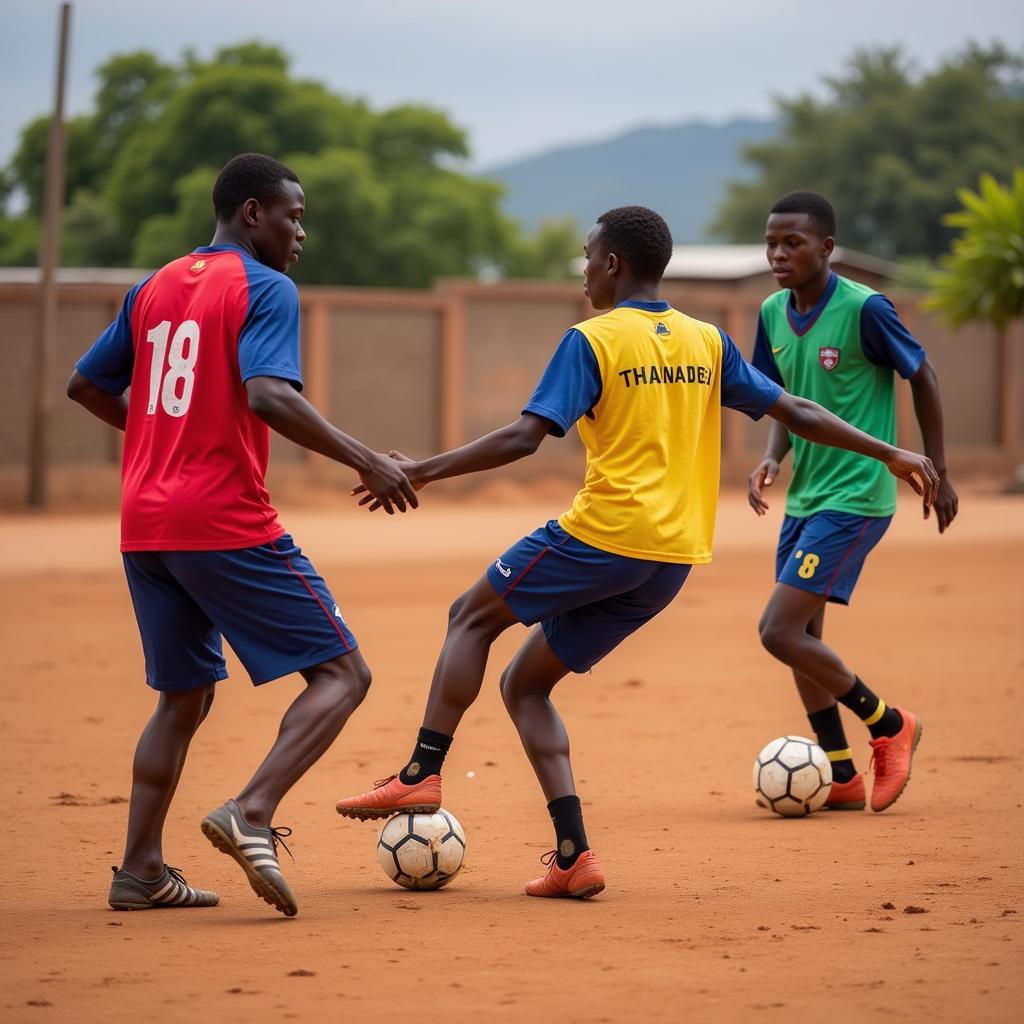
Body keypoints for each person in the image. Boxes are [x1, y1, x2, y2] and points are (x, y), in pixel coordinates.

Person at [335, 205, 938, 898]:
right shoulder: (705, 340)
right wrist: (889, 448)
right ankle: (573, 858)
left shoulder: (592, 340)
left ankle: (419, 775)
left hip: (602, 535)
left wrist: (420, 470)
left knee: (470, 616)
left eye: (590, 257)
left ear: (614, 264)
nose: (586, 269)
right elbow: (795, 411)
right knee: (524, 684)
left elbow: (524, 438)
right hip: (669, 562)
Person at [67, 152, 419, 917]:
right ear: (252, 213)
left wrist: (159, 437)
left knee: (182, 698)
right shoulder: (266, 287)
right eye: (293, 215)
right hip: (220, 517)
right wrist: (367, 460)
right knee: (343, 677)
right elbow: (267, 394)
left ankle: (140, 871)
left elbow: (87, 384)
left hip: (146, 523)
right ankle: (251, 810)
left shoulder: (153, 286)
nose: (301, 232)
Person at [748, 190, 958, 813]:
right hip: (806, 497)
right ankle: (841, 775)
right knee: (803, 633)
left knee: (778, 630)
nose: (779, 254)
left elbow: (923, 375)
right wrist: (772, 457)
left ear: (827, 247)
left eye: (793, 243)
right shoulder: (770, 312)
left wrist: (937, 468)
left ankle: (890, 724)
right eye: (772, 243)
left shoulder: (866, 309)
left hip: (857, 496)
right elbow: (783, 399)